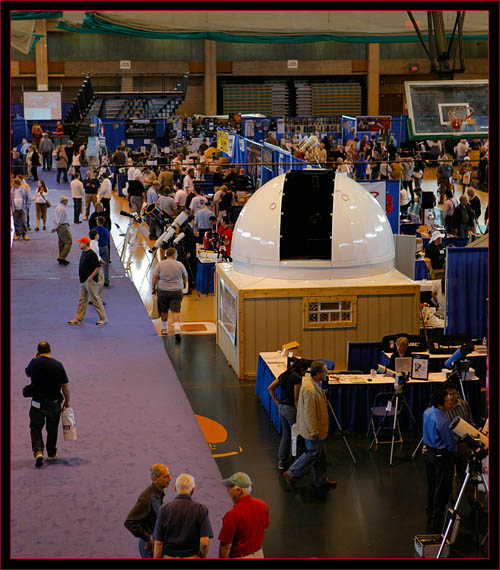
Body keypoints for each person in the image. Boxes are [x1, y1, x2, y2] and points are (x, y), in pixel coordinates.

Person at [283, 361, 337, 491]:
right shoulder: (310, 390)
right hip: (312, 429)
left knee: (321, 454)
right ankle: (292, 473)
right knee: (313, 453)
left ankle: (321, 480)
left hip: (315, 427)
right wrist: (314, 431)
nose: (327, 374)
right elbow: (310, 413)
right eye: (325, 372)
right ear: (318, 374)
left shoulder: (312, 383)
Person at [25, 341, 71, 468]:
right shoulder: (58, 365)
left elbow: (28, 373)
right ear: (50, 350)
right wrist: (67, 401)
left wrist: (35, 359)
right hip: (54, 403)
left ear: (38, 351)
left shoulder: (34, 363)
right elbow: (65, 386)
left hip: (37, 403)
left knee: (35, 428)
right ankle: (51, 453)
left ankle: (38, 452)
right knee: (52, 429)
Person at [153, 473, 213, 559]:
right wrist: (202, 557)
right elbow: (204, 542)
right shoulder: (201, 509)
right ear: (193, 490)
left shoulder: (164, 509)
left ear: (175, 488)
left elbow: (158, 543)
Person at [422, 388, 457, 533]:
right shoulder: (443, 420)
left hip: (428, 452)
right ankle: (437, 521)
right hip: (441, 456)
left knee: (432, 485)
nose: (450, 401)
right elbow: (450, 443)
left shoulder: (427, 412)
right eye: (447, 399)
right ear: (440, 404)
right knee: (442, 489)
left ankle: (430, 512)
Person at [267, 358, 309, 472]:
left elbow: (270, 388)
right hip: (291, 410)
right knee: (297, 436)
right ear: (302, 369)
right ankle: (298, 463)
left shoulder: (284, 374)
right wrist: (300, 413)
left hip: (282, 408)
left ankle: (282, 462)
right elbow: (296, 398)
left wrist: (277, 402)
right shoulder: (297, 378)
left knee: (286, 435)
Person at [124, 464, 172, 558]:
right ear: (155, 479)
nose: (170, 479)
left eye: (169, 475)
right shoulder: (147, 498)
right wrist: (148, 537)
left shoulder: (158, 494)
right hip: (148, 547)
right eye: (166, 476)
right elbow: (129, 522)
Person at [219, 472, 269, 559]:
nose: (228, 490)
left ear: (238, 490)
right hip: (259, 554)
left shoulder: (232, 515)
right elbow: (264, 528)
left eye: (230, 487)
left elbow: (226, 545)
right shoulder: (262, 505)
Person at [67, 236, 108, 325]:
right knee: (82, 300)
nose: (79, 244)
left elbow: (98, 267)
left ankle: (103, 318)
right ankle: (78, 319)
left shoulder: (91, 254)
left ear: (85, 244)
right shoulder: (84, 252)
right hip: (82, 281)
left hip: (90, 281)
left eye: (81, 242)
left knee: (95, 300)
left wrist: (90, 277)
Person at [151, 247, 188, 339]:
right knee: (176, 310)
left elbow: (154, 277)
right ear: (174, 255)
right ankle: (176, 329)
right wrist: (184, 285)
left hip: (163, 290)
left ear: (166, 254)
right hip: (176, 290)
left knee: (164, 310)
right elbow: (185, 276)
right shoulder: (179, 264)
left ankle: (164, 329)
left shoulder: (160, 264)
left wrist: (153, 288)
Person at [52, 196, 72, 264]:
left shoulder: (57, 207)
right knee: (69, 242)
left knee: (61, 242)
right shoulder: (62, 209)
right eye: (66, 201)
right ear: (63, 201)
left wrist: (55, 227)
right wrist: (56, 228)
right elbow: (60, 220)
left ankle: (61, 256)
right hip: (63, 226)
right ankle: (62, 257)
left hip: (59, 227)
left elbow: (55, 218)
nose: (67, 202)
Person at [95, 217, 111, 287]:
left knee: (95, 265)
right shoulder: (106, 230)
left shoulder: (95, 230)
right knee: (106, 265)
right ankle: (106, 280)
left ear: (97, 222)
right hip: (105, 247)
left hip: (97, 248)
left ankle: (96, 280)